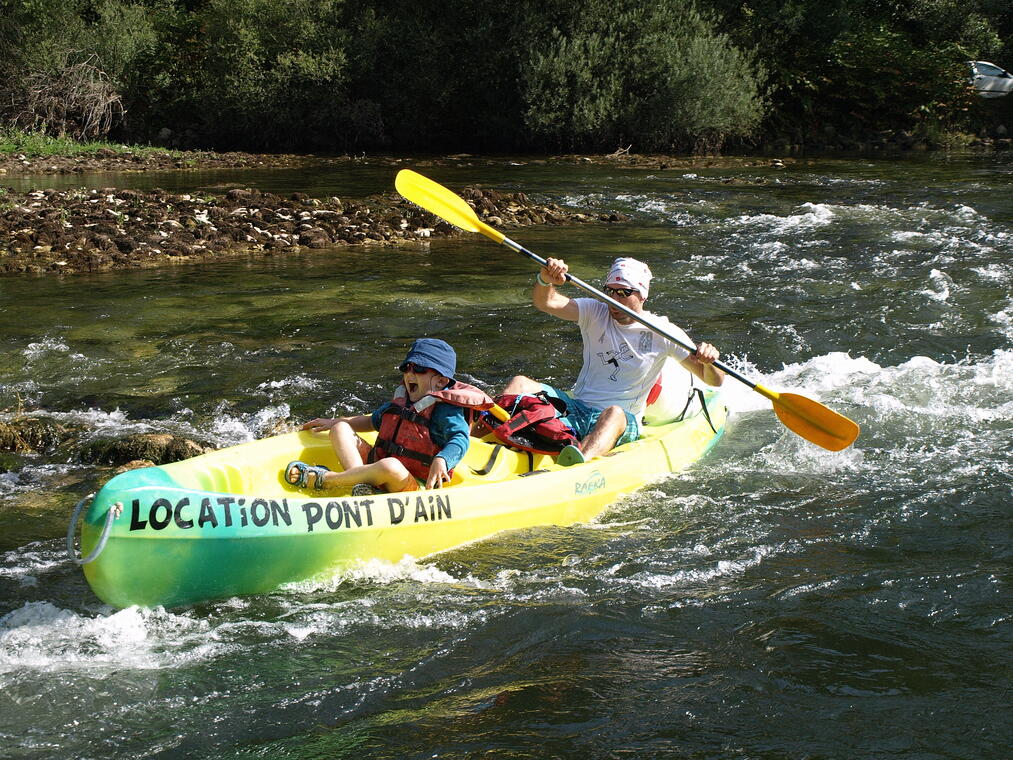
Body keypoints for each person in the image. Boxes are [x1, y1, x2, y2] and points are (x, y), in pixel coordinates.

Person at [502, 256, 724, 466]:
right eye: (610, 291)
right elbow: (546, 302)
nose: (614, 300)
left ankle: (578, 467)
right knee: (520, 383)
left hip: (621, 421)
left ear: (642, 295)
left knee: (613, 412)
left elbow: (713, 380)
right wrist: (545, 279)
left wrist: (708, 361)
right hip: (577, 407)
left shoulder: (664, 332)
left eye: (624, 293)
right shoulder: (593, 311)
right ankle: (484, 435)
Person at [285, 338, 493, 493]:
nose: (410, 373)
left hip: (411, 483)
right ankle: (361, 486)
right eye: (407, 367)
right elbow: (370, 421)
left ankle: (327, 479)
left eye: (419, 369)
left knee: (390, 466)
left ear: (440, 381)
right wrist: (334, 422)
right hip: (377, 465)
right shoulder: (401, 402)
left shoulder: (446, 410)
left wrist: (443, 460)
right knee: (341, 429)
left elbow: (460, 439)